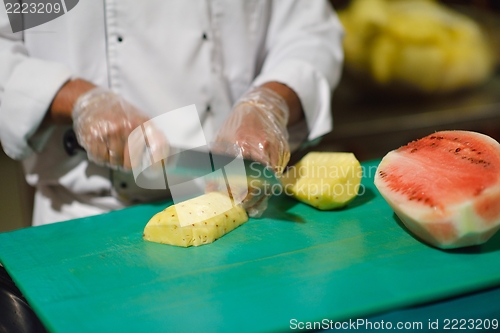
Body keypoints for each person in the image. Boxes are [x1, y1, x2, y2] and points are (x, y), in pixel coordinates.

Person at [0, 1, 343, 226]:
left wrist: (269, 101)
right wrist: (71, 97)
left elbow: (310, 31)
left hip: (246, 210)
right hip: (86, 219)